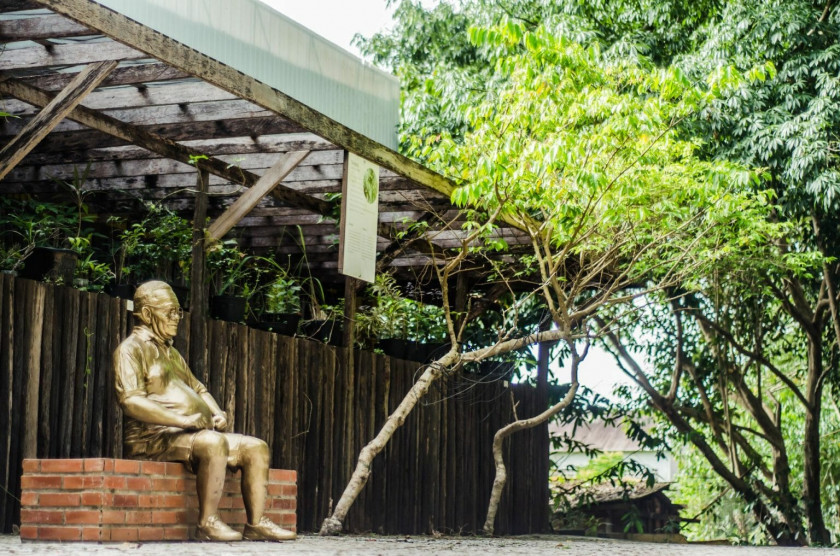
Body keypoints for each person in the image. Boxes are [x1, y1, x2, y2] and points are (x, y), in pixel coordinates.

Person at [113, 280, 295, 542]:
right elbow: (130, 401)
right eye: (170, 312)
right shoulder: (130, 350)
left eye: (178, 311)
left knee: (256, 447)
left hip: (189, 432)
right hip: (152, 438)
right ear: (148, 314)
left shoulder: (172, 353)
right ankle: (207, 522)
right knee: (213, 443)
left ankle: (256, 523)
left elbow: (199, 389)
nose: (176, 317)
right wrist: (183, 420)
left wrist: (217, 412)